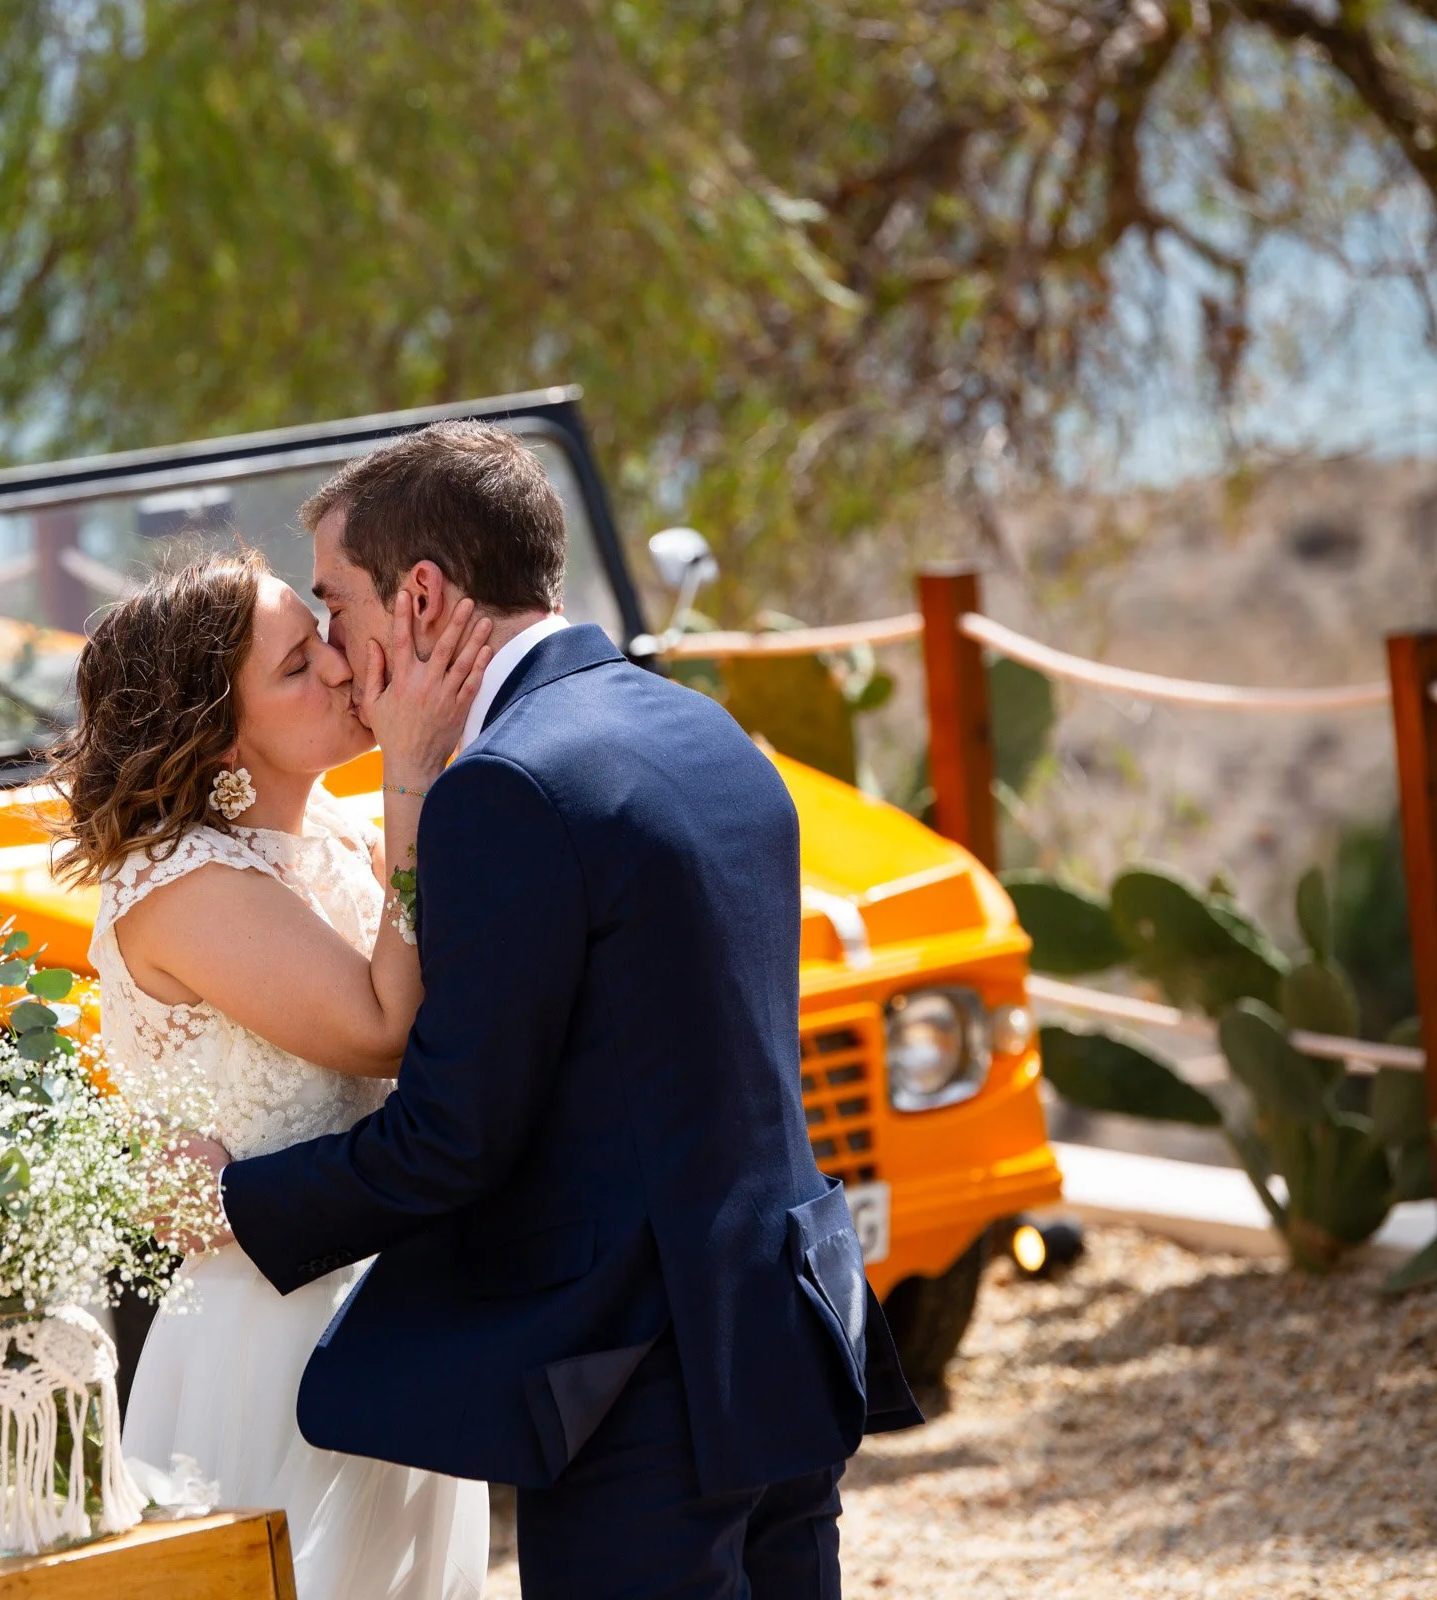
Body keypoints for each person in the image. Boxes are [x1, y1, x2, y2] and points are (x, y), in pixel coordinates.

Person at [196, 420, 923, 1599]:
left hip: (640, 1383)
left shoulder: (508, 788)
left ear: (420, 598)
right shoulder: (699, 728)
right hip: (780, 1328)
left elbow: (452, 1136)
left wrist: (235, 1196)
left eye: (336, 603)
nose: (332, 649)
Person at [50, 546, 496, 1600]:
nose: (342, 667)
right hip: (273, 1334)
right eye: (298, 667)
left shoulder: (335, 832)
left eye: (324, 638)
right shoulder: (180, 880)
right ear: (218, 735)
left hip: (401, 1302)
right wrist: (413, 772)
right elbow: (383, 1026)